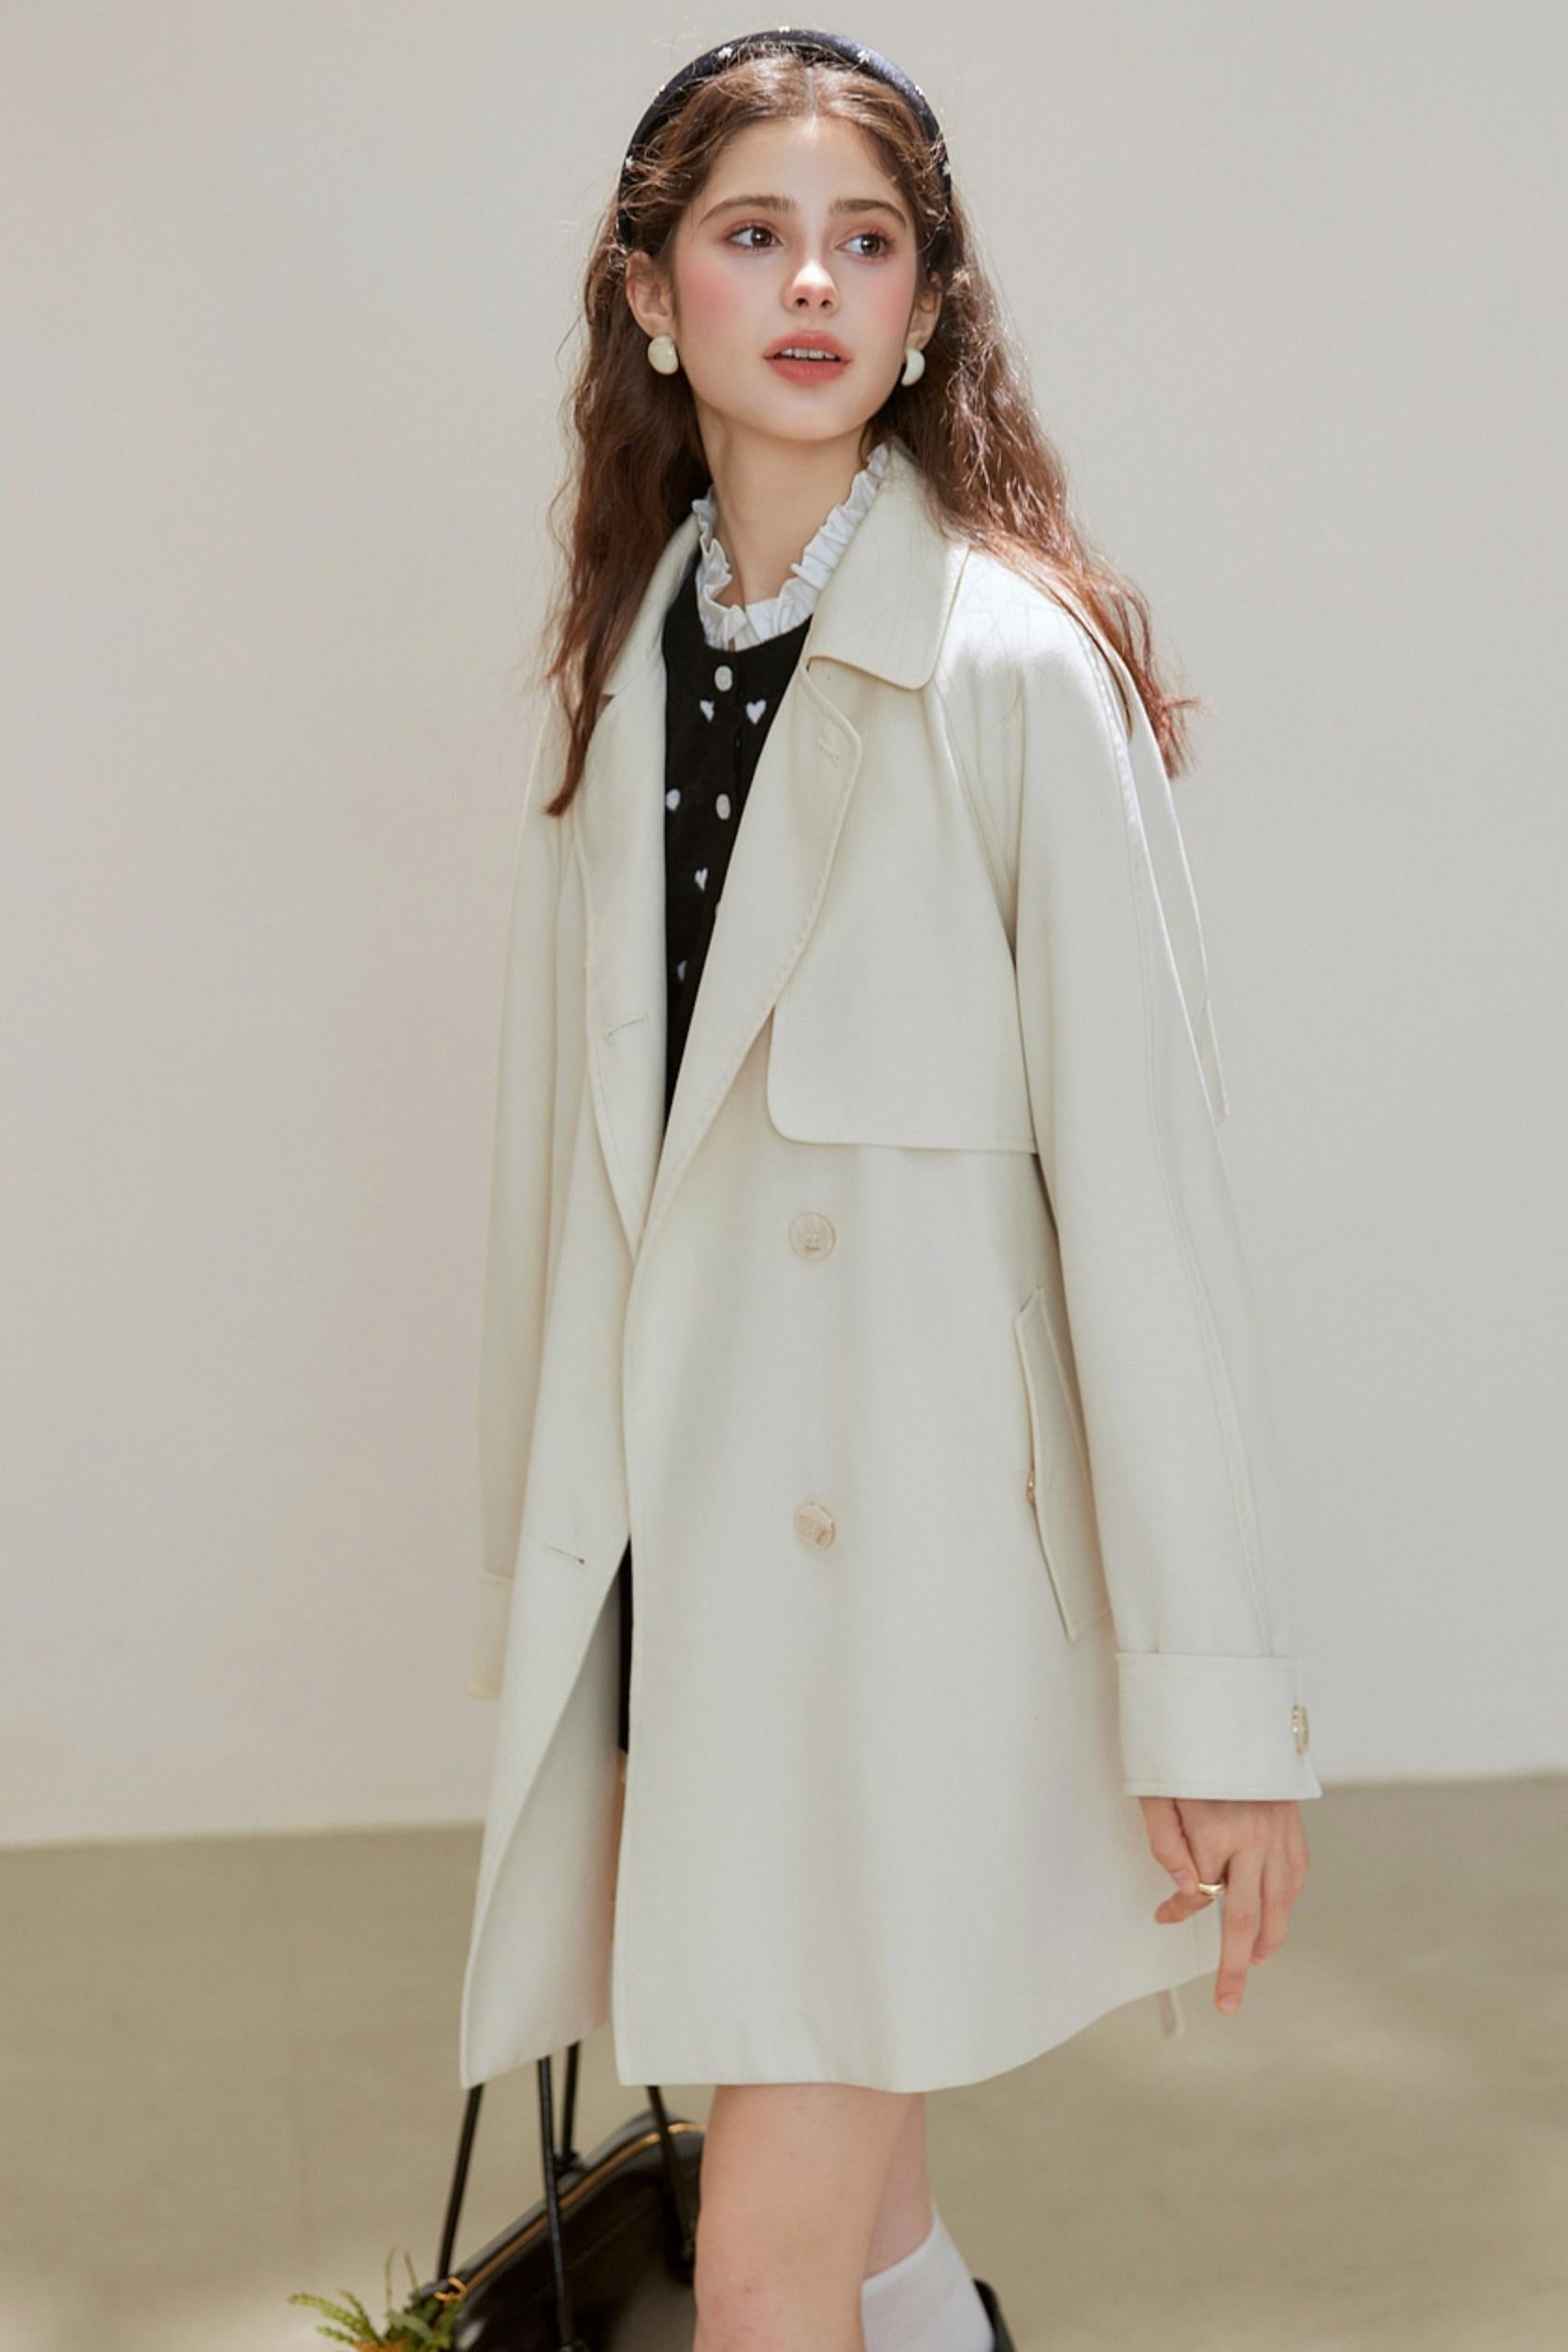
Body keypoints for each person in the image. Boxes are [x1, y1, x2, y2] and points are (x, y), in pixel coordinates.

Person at [460, 31, 1322, 2352]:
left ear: (933, 308)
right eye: (753, 234)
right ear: (650, 292)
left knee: (759, 2267)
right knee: (857, 2235)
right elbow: (575, 1222)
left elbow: (1150, 1210)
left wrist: (1215, 1702)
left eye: (868, 243)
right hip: (687, 1594)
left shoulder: (1013, 671)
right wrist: (551, 1613)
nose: (814, 286)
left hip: (917, 1599)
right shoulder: (620, 685)